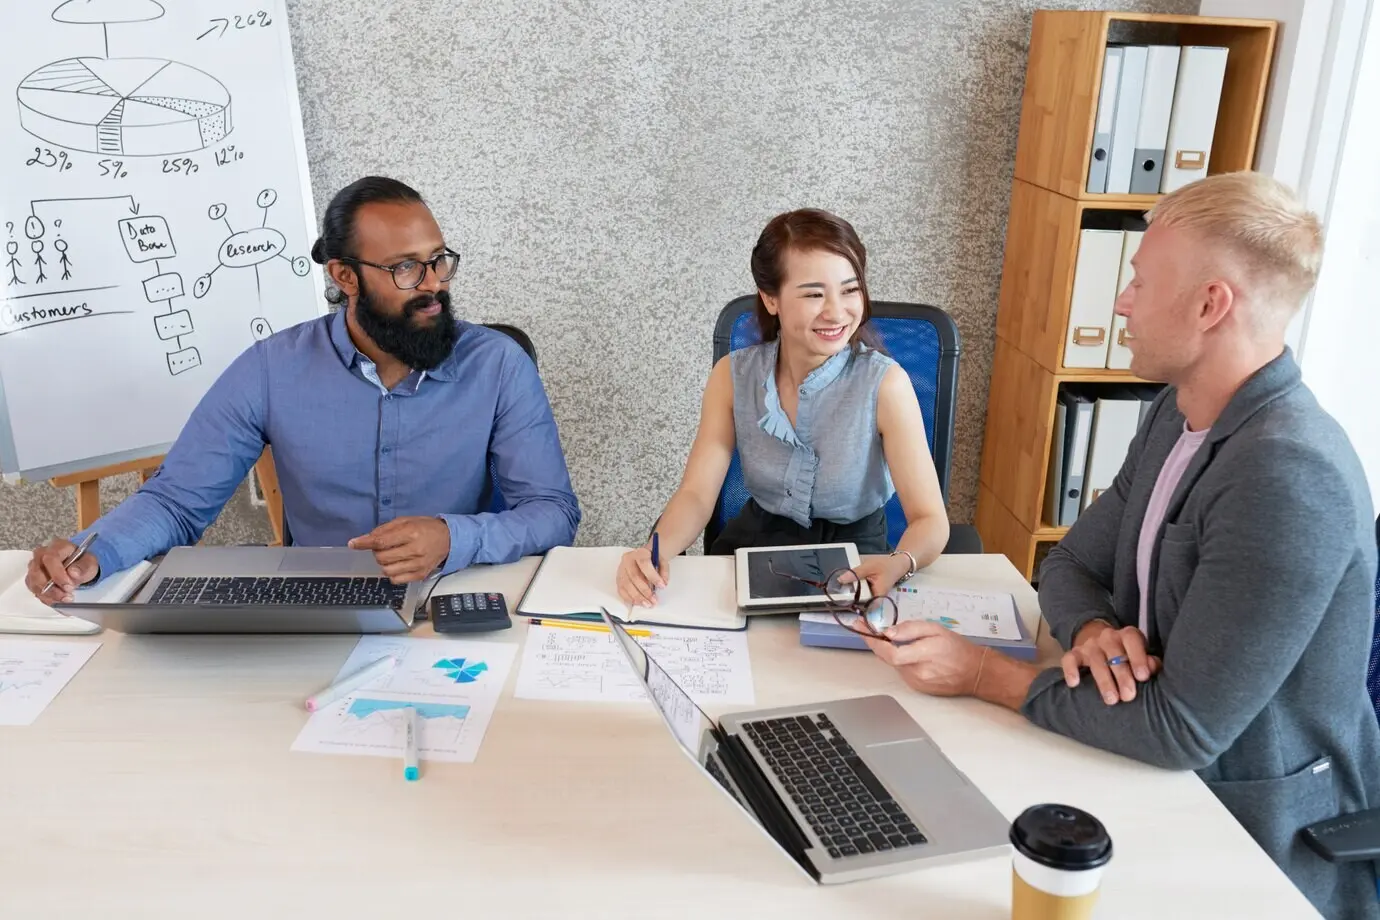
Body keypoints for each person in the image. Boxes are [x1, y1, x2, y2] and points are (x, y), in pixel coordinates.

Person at [861, 172, 1380, 919]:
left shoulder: (1287, 474)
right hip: (1139, 771)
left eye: (1140, 281)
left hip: (1245, 839)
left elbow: (1183, 729)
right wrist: (1095, 631)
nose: (1122, 302)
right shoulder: (1179, 411)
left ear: (1210, 305)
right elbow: (1070, 563)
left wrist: (982, 674)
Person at [26, 176, 580, 601]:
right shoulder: (272, 369)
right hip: (318, 606)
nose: (433, 283)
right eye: (406, 268)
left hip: (459, 596)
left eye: (438, 260)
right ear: (345, 277)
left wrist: (452, 538)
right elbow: (177, 501)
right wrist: (93, 555)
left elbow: (552, 510)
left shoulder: (498, 364)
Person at [615, 208, 950, 608]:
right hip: (754, 549)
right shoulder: (732, 376)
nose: (837, 311)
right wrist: (654, 551)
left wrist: (899, 563)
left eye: (850, 290)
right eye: (814, 294)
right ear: (770, 298)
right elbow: (697, 494)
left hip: (856, 559)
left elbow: (930, 520)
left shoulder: (886, 384)